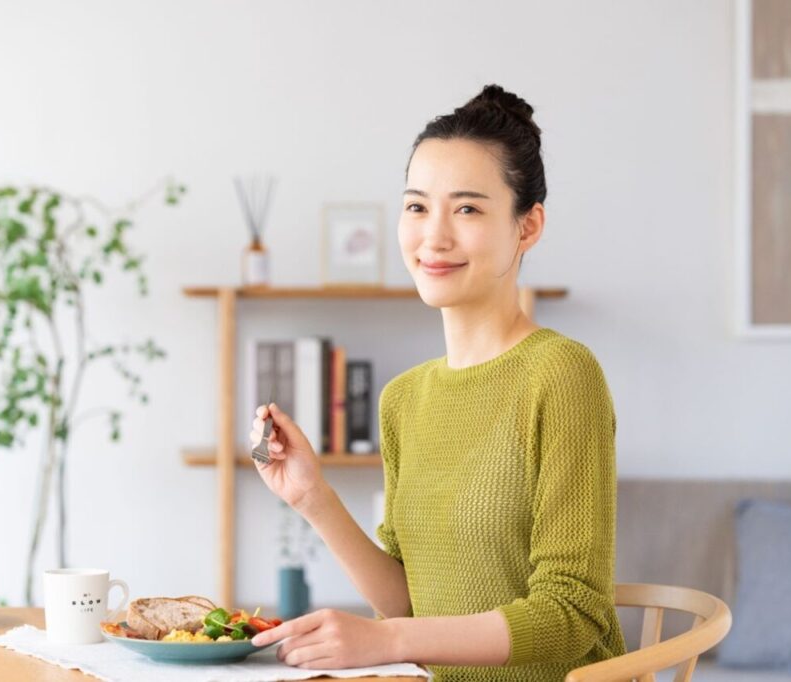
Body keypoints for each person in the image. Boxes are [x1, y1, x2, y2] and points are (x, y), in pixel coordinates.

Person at [247, 83, 626, 681]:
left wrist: (387, 640)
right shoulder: (404, 400)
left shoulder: (562, 375)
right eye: (418, 206)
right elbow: (407, 605)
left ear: (527, 228)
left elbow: (570, 614)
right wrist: (311, 498)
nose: (434, 237)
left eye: (468, 209)